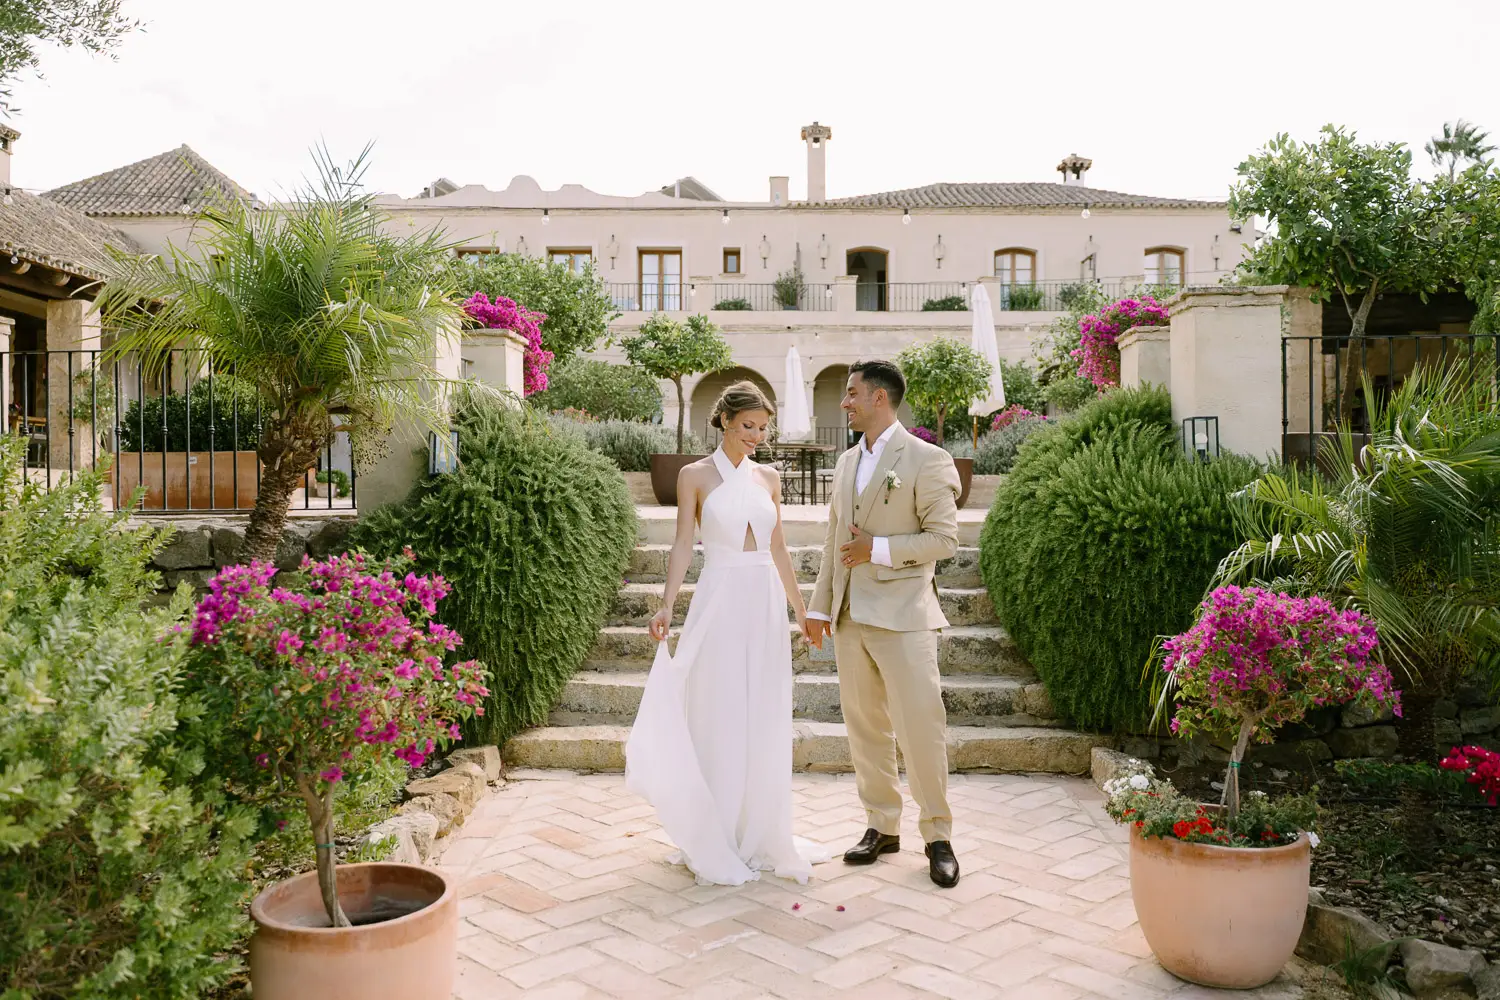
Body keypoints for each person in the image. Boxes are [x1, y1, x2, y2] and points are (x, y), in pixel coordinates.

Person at [624, 381, 830, 885]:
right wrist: (667, 603)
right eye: (747, 426)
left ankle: (757, 830)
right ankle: (714, 829)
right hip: (718, 596)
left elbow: (778, 548)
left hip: (761, 601)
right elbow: (680, 545)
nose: (756, 436)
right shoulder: (695, 475)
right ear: (724, 422)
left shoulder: (769, 478)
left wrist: (801, 610)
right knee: (718, 706)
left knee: (760, 708)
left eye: (763, 428)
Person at [804, 359, 963, 888]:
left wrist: (880, 549)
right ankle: (881, 825)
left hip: (904, 618)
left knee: (921, 728)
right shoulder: (847, 462)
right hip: (850, 617)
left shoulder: (927, 459)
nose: (844, 402)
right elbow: (833, 540)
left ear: (879, 398)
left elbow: (944, 540)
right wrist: (821, 607)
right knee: (865, 729)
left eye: (851, 394)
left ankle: (937, 835)